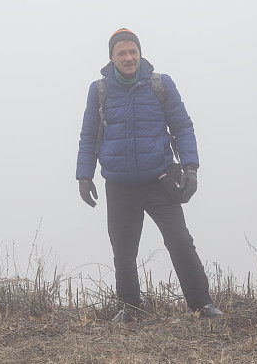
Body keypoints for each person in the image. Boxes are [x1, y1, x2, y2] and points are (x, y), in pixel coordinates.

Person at [75, 28, 223, 323]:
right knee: (124, 249)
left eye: (133, 51)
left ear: (140, 53)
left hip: (159, 179)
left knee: (180, 242)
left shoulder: (160, 84)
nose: (129, 57)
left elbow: (182, 126)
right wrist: (84, 176)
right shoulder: (100, 90)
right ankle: (130, 309)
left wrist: (191, 167)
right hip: (119, 184)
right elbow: (89, 135)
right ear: (112, 58)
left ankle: (201, 304)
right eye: (122, 53)